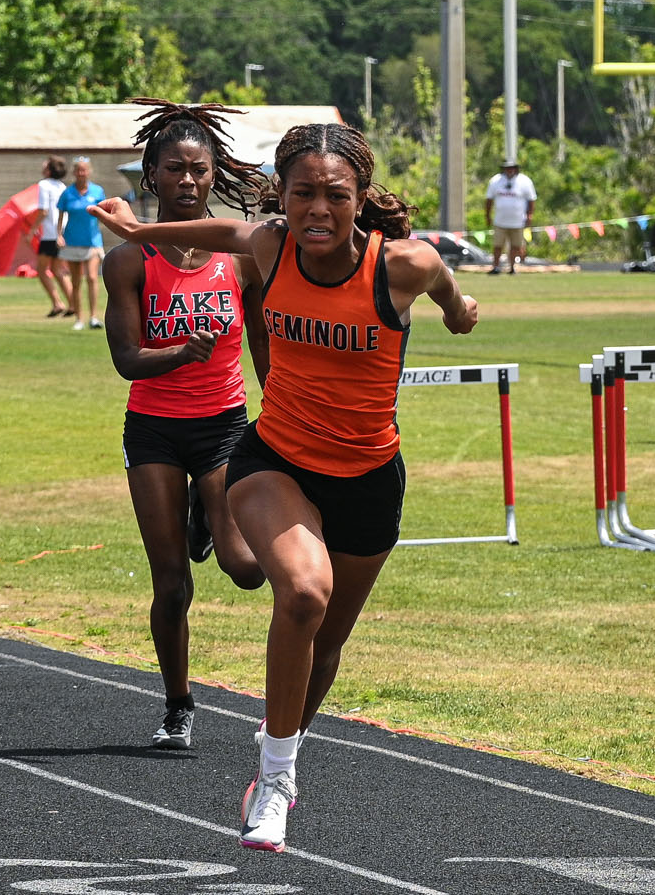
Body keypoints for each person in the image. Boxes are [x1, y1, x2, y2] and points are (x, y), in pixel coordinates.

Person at [92, 121, 477, 854]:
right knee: (302, 594)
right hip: (275, 460)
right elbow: (224, 230)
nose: (318, 210)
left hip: (368, 476)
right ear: (282, 197)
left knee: (324, 647)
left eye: (335, 195)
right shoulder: (270, 246)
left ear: (360, 197)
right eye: (302, 194)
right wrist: (140, 230)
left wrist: (460, 312)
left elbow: (450, 293)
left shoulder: (404, 265)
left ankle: (278, 744)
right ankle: (275, 782)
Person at [101, 102, 271, 753]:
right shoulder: (128, 261)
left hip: (223, 426)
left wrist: (281, 406)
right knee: (172, 584)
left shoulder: (241, 254)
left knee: (247, 568)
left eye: (199, 169)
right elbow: (126, 359)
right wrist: (179, 352)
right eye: (175, 169)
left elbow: (261, 342)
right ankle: (177, 705)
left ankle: (207, 512)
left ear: (213, 174)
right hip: (155, 431)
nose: (188, 181)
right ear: (152, 175)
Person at [57, 157, 110, 331]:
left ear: (89, 171)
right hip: (72, 240)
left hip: (92, 241)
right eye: (78, 170)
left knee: (92, 278)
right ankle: (79, 318)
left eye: (84, 170)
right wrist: (59, 235)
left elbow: (104, 212)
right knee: (76, 281)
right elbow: (60, 215)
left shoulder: (97, 191)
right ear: (74, 172)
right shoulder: (67, 193)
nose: (81, 173)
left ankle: (93, 317)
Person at [34, 157, 74, 318]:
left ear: (49, 170)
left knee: (41, 270)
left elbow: (43, 211)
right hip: (62, 231)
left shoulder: (43, 185)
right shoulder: (62, 186)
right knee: (58, 270)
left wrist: (32, 230)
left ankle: (58, 303)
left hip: (50, 233)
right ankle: (73, 303)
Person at [484, 159, 536, 275]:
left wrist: (529, 215)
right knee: (498, 245)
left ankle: (512, 267)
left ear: (516, 169)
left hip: (518, 221)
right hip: (500, 220)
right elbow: (489, 199)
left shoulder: (525, 181)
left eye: (512, 168)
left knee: (515, 246)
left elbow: (531, 200)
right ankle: (496, 267)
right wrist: (487, 215)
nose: (510, 170)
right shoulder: (496, 181)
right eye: (507, 168)